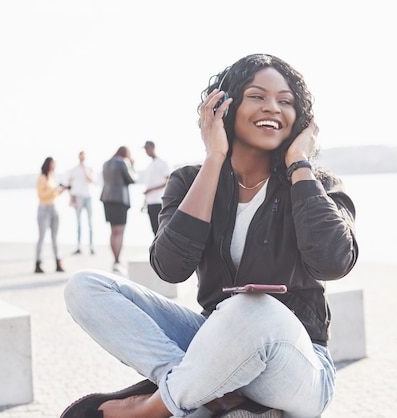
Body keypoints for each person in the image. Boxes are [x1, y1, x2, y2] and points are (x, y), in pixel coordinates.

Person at [62, 54, 359, 418]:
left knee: (254, 308)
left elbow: (333, 263)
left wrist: (300, 163)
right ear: (223, 107)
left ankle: (158, 406)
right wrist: (214, 158)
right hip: (216, 343)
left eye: (286, 101)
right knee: (85, 286)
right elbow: (171, 268)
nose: (273, 108)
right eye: (257, 96)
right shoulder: (189, 181)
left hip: (297, 365)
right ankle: (205, 392)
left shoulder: (317, 184)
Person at [99, 146, 137, 274]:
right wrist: (132, 165)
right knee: (120, 231)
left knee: (113, 230)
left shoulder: (106, 163)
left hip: (107, 199)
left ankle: (115, 260)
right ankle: (117, 260)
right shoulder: (123, 162)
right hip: (120, 200)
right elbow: (132, 179)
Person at [35, 156, 66, 273]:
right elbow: (41, 195)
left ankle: (58, 262)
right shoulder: (42, 178)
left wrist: (60, 191)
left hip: (54, 207)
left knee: (55, 237)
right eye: (53, 164)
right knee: (42, 236)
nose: (54, 166)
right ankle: (38, 262)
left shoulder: (53, 178)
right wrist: (54, 190)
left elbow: (53, 194)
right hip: (43, 209)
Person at [68, 151, 95, 255]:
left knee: (90, 223)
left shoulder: (89, 168)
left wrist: (84, 170)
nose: (82, 159)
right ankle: (79, 246)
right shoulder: (73, 170)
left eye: (83, 158)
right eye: (81, 158)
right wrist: (72, 200)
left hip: (88, 197)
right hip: (78, 197)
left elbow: (91, 180)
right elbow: (69, 185)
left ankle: (91, 246)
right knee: (79, 223)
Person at [142, 140, 170, 235]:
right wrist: (145, 202)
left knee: (160, 229)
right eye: (145, 149)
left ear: (153, 148)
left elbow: (167, 182)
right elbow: (148, 185)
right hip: (150, 202)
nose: (146, 151)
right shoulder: (149, 166)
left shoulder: (162, 163)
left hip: (159, 201)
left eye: (147, 149)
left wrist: (151, 190)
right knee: (154, 230)